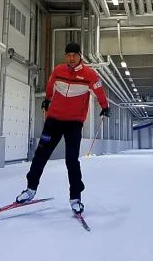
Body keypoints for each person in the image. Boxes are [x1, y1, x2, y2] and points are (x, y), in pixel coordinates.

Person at [17, 42, 109, 215]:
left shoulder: (89, 75)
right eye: (68, 55)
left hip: (74, 123)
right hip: (54, 120)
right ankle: (30, 190)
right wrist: (48, 99)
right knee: (41, 154)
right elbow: (51, 85)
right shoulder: (59, 71)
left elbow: (99, 90)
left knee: (71, 160)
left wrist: (105, 106)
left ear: (80, 56)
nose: (71, 58)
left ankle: (75, 198)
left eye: (74, 55)